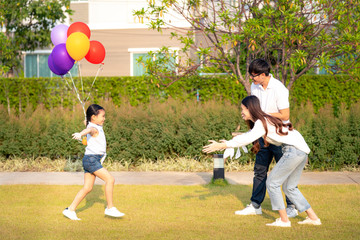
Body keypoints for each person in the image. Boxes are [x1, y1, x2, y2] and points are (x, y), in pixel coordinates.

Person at [203, 95, 321, 227]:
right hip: (301, 151)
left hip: (293, 151)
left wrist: (223, 145)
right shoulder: (264, 121)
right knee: (290, 188)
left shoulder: (261, 122)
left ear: (250, 108)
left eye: (243, 109)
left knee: (272, 183)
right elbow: (249, 135)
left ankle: (284, 220)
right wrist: (229, 143)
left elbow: (248, 138)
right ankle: (313, 218)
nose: (241, 112)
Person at [232, 59, 298, 217]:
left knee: (285, 173)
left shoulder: (279, 89)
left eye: (254, 76)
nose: (251, 79)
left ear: (263, 75)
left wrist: (262, 115)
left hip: (279, 135)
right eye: (250, 75)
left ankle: (292, 207)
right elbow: (253, 111)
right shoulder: (255, 87)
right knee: (260, 171)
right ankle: (255, 205)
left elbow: (285, 115)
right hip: (262, 134)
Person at [62, 104, 125, 220]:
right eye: (102, 116)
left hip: (89, 159)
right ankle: (110, 208)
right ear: (94, 117)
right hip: (92, 160)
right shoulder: (94, 128)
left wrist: (86, 121)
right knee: (110, 180)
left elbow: (86, 124)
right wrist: (81, 134)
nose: (104, 118)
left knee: (87, 188)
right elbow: (89, 129)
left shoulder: (94, 125)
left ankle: (70, 210)